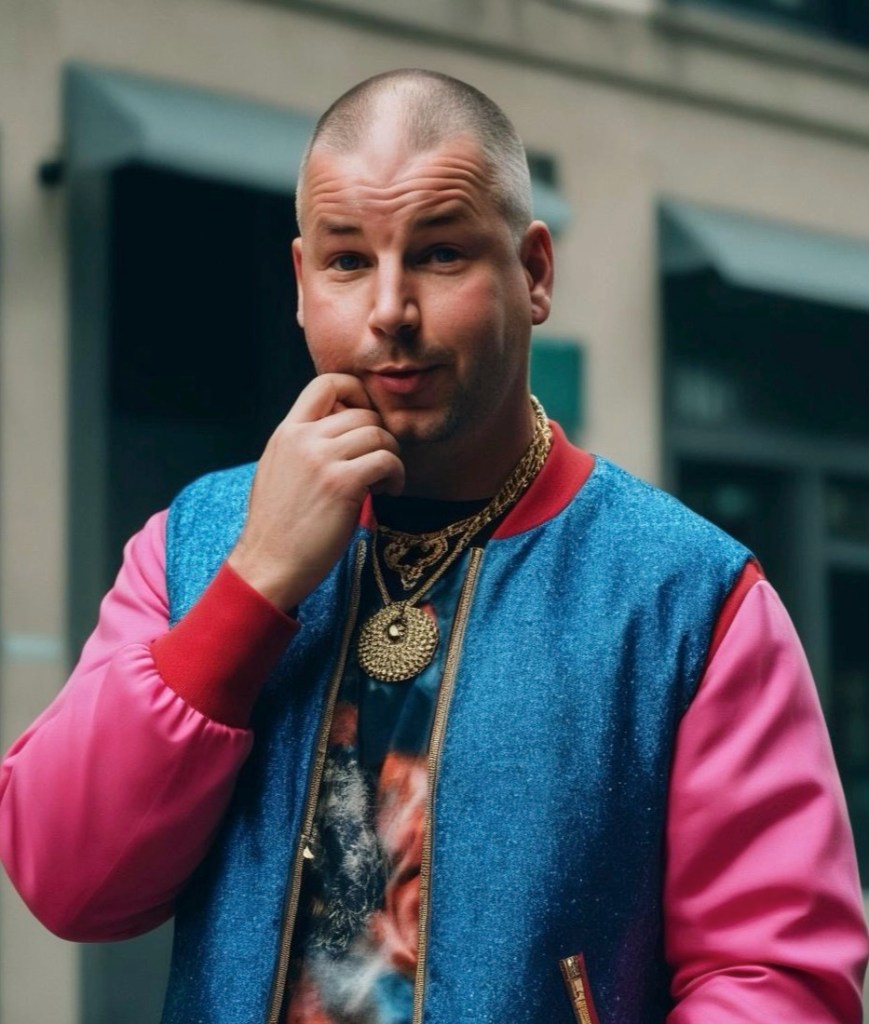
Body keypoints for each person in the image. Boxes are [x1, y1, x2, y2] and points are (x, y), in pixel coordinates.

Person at [0, 69, 866, 1024]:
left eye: (440, 253)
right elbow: (66, 882)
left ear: (534, 273)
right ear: (301, 284)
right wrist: (255, 583)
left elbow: (774, 981)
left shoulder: (687, 595)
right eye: (346, 261)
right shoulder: (194, 542)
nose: (389, 310)